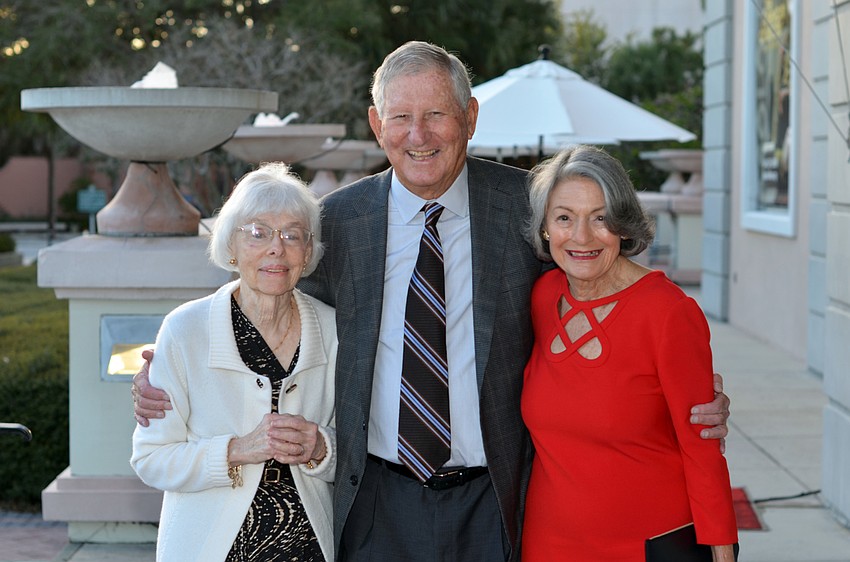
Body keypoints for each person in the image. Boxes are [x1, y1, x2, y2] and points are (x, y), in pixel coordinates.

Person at [133, 41, 731, 562]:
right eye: (401, 118)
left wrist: (680, 382)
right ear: (376, 123)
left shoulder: (524, 208)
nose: (417, 136)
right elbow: (272, 304)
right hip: (375, 503)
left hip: (492, 500)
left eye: (436, 115)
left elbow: (600, 275)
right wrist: (167, 363)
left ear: (470, 117)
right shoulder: (338, 222)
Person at [521, 145, 738, 561]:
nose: (581, 237)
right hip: (548, 543)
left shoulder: (669, 312)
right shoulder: (542, 296)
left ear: (623, 224)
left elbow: (702, 448)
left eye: (600, 218)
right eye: (564, 218)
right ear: (546, 228)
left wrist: (722, 553)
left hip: (648, 544)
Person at [130, 163, 337, 562]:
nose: (276, 247)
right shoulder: (185, 329)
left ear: (307, 252)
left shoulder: (332, 328)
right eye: (258, 233)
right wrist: (235, 450)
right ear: (230, 247)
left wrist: (320, 447)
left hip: (310, 548)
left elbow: (362, 448)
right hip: (210, 548)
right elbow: (151, 458)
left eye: (292, 234)